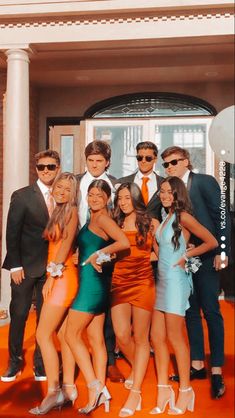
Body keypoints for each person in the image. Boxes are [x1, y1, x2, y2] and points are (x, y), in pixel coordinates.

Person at [161, 146, 230, 399]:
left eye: (174, 162)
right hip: (184, 262)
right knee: (190, 311)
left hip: (208, 256)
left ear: (186, 161)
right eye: (166, 164)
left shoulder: (203, 182)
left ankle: (216, 369)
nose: (170, 167)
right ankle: (197, 363)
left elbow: (221, 217)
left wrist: (223, 251)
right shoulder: (170, 188)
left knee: (211, 311)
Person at [150, 176, 218, 415]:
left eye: (169, 192)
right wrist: (153, 236)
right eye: (162, 191)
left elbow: (210, 241)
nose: (165, 195)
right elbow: (162, 251)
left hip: (176, 282)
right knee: (156, 338)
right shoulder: (166, 216)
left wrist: (186, 256)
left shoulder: (183, 217)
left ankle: (186, 391)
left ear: (178, 193)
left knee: (175, 338)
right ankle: (163, 389)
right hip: (162, 281)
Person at [65, 179, 130, 414]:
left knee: (71, 335)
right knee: (95, 339)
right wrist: (85, 255)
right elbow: (97, 247)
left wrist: (99, 254)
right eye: (91, 194)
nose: (93, 199)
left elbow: (123, 243)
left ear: (107, 199)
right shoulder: (93, 218)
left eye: (99, 196)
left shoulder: (103, 218)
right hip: (95, 282)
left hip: (91, 287)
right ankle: (100, 389)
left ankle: (94, 386)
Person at [1, 150, 60, 382]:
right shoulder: (22, 196)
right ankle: (14, 363)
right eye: (42, 167)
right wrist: (15, 265)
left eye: (51, 167)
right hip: (24, 268)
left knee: (46, 318)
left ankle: (40, 364)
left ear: (58, 168)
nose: (46, 171)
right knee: (19, 315)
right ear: (35, 169)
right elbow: (11, 232)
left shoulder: (63, 196)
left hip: (52, 269)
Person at [29, 172, 79, 415]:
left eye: (67, 189)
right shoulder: (58, 210)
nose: (61, 191)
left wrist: (51, 277)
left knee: (42, 334)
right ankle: (68, 388)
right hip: (59, 275)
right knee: (62, 334)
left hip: (62, 277)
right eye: (59, 186)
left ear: (73, 193)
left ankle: (53, 390)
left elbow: (66, 246)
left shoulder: (71, 211)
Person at [76, 140, 125, 383]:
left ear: (107, 162)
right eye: (90, 160)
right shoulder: (74, 182)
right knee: (76, 309)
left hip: (104, 254)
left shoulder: (116, 185)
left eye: (99, 161)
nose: (94, 165)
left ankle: (109, 362)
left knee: (103, 309)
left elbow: (120, 223)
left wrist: (104, 255)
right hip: (77, 248)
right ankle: (76, 358)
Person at [111, 182, 156, 417]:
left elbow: (159, 252)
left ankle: (136, 390)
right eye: (120, 198)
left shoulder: (150, 222)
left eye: (127, 198)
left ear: (136, 198)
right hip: (119, 282)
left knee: (141, 337)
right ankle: (139, 366)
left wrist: (143, 260)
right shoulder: (115, 222)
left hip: (143, 283)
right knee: (121, 334)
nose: (123, 202)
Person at [116, 141, 163, 222]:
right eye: (140, 158)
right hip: (129, 229)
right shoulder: (123, 182)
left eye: (148, 158)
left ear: (155, 159)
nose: (143, 161)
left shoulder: (163, 183)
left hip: (155, 230)